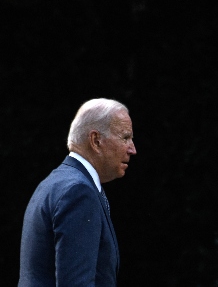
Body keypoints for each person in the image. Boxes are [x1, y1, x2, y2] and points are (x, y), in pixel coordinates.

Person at [19, 98, 137, 286]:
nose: (133, 149)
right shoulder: (78, 192)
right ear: (96, 140)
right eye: (125, 137)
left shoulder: (53, 183)